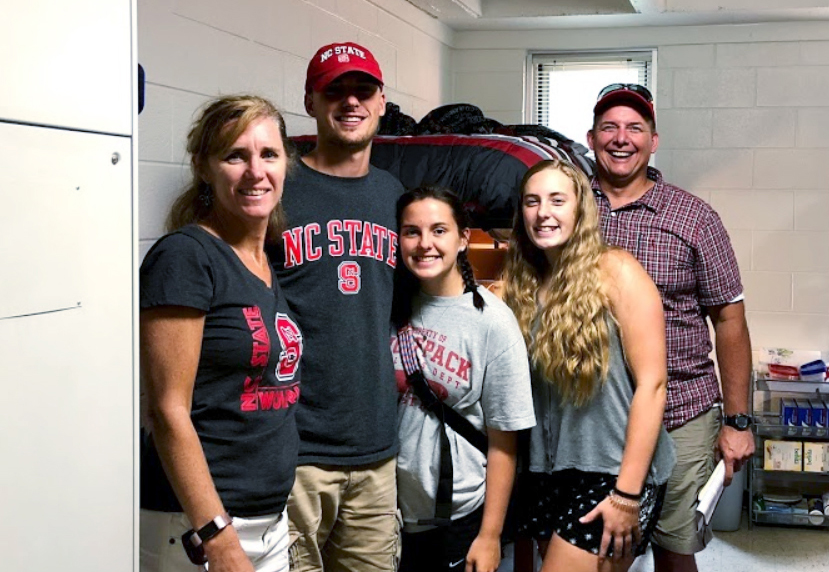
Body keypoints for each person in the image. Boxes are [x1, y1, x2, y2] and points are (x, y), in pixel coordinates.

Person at [585, 84, 755, 572]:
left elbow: (729, 319)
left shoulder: (694, 218)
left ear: (653, 140)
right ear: (591, 138)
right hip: (595, 415)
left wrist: (738, 421)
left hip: (681, 411)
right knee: (601, 544)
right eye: (610, 127)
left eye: (635, 128)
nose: (622, 138)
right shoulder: (569, 209)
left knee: (674, 546)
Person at [140, 94, 303, 572]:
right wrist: (217, 536)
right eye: (236, 155)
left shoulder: (265, 262)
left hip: (266, 522)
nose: (256, 171)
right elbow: (167, 411)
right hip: (198, 529)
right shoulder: (186, 258)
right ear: (204, 167)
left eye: (268, 154)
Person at [268, 42, 403, 572]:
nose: (350, 102)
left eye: (362, 90)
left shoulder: (394, 194)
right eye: (335, 90)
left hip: (375, 445)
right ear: (310, 100)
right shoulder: (277, 188)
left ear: (382, 101)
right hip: (295, 447)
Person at [502, 160, 675, 572]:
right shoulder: (521, 283)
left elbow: (653, 384)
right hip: (547, 469)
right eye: (533, 201)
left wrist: (627, 494)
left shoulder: (617, 270)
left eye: (557, 200)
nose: (544, 212)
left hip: (614, 472)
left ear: (580, 208)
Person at [390, 186, 536, 572]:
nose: (425, 244)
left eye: (439, 230)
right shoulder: (390, 305)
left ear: (463, 239)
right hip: (388, 509)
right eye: (411, 231)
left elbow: (505, 442)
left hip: (458, 516)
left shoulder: (492, 321)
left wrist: (489, 536)